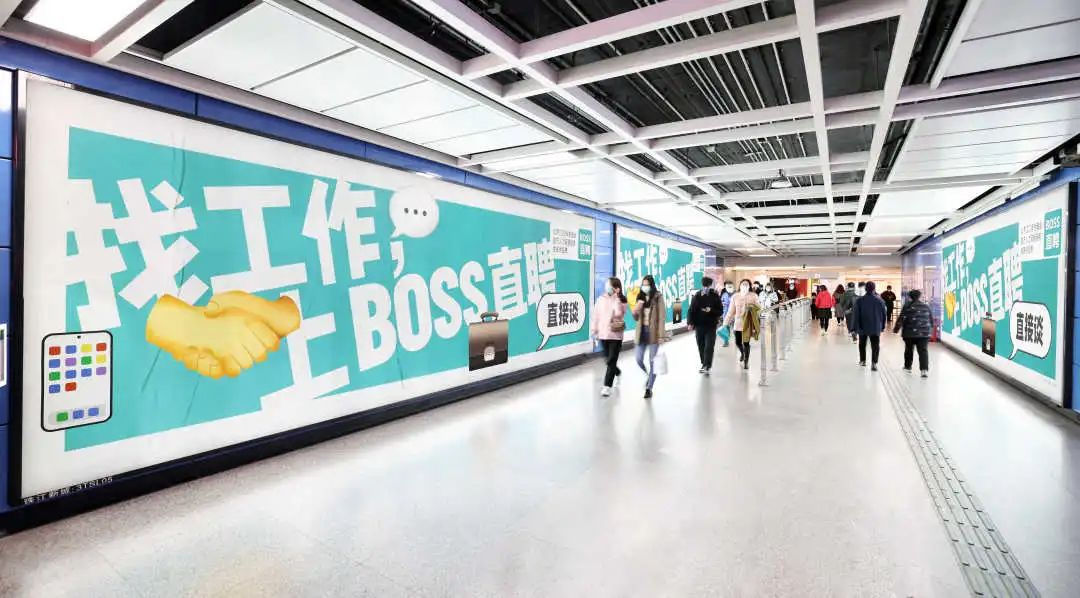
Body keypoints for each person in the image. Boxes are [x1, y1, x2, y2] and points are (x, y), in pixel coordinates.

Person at [631, 274, 667, 399]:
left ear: (651, 285)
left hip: (653, 333)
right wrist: (636, 310)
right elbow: (636, 318)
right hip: (641, 332)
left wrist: (661, 335)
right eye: (643, 284)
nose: (645, 287)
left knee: (653, 362)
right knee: (638, 359)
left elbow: (662, 317)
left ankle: (649, 388)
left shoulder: (658, 297)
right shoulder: (639, 297)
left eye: (647, 285)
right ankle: (648, 375)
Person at [590, 277, 628, 396]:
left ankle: (606, 386)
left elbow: (619, 314)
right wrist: (594, 330)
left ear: (616, 288)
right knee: (608, 360)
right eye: (607, 284)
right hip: (603, 334)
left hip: (616, 335)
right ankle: (617, 372)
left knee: (611, 360)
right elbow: (596, 315)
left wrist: (616, 298)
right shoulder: (600, 299)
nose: (607, 287)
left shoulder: (622, 300)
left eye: (609, 285)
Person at [688, 276, 723, 375]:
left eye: (708, 285)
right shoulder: (697, 296)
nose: (706, 287)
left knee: (709, 346)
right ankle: (704, 363)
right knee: (701, 345)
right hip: (699, 325)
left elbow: (720, 311)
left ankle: (707, 365)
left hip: (711, 325)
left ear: (711, 285)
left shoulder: (715, 296)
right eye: (704, 285)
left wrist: (711, 310)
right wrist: (690, 323)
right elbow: (691, 310)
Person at [894, 289, 933, 377]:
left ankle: (908, 367)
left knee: (909, 349)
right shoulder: (926, 306)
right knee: (923, 351)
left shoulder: (907, 305)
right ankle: (924, 370)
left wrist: (896, 329)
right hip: (924, 333)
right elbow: (931, 320)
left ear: (910, 297)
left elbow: (901, 318)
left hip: (909, 333)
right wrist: (929, 329)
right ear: (919, 296)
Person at [724, 279, 759, 369]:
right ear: (740, 285)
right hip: (737, 323)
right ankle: (742, 353)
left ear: (749, 286)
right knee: (738, 342)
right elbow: (731, 311)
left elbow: (759, 308)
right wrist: (725, 323)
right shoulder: (735, 296)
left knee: (746, 343)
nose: (744, 286)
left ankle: (746, 362)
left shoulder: (753, 296)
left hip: (748, 324)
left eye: (746, 284)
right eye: (743, 284)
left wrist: (752, 307)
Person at [853, 281, 888, 370]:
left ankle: (863, 361)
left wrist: (855, 327)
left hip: (862, 326)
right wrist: (883, 326)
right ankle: (874, 363)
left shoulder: (860, 300)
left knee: (862, 344)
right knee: (875, 345)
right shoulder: (880, 300)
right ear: (874, 289)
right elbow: (884, 315)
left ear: (865, 289)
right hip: (875, 326)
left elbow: (856, 315)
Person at [719, 281, 735, 347]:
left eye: (730, 286)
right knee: (726, 328)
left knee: (736, 329)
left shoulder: (736, 294)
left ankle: (739, 342)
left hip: (735, 314)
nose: (729, 288)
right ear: (725, 287)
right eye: (728, 287)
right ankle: (726, 342)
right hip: (726, 314)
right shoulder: (724, 295)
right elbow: (721, 303)